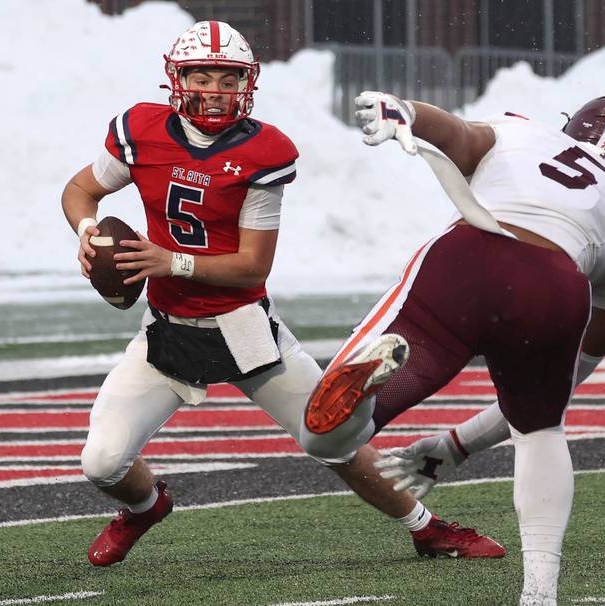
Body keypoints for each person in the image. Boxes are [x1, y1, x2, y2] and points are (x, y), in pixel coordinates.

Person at [61, 20, 503, 567]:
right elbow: (82, 190)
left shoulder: (262, 151)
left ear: (246, 83)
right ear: (177, 80)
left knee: (333, 441)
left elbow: (252, 267)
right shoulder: (140, 129)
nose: (214, 90)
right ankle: (145, 508)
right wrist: (85, 231)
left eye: (227, 78)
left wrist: (168, 259)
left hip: (242, 326)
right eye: (202, 75)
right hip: (167, 331)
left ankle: (428, 528)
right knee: (102, 463)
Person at [299, 91, 605, 605]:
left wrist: (404, 110)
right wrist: (456, 446)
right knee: (541, 430)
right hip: (555, 286)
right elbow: (574, 373)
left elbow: (458, 135)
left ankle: (365, 392)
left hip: (471, 254)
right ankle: (539, 595)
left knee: (326, 440)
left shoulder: (526, 131)